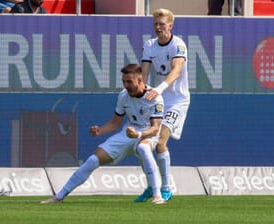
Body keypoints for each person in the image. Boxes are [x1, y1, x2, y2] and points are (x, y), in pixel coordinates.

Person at [41, 64, 166, 205]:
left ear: (140, 80)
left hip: (147, 134)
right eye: (124, 81)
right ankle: (58, 197)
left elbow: (156, 128)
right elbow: (115, 123)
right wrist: (100, 131)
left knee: (143, 148)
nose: (126, 85)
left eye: (129, 82)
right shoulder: (124, 95)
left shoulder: (154, 98)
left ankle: (157, 196)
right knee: (93, 160)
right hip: (128, 132)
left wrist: (138, 134)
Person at [135, 8, 190, 202]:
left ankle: (166, 187)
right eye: (156, 24)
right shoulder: (149, 45)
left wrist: (159, 88)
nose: (158, 27)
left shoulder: (178, 45)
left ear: (170, 25)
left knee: (160, 143)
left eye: (162, 24)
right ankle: (152, 187)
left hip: (177, 101)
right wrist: (138, 91)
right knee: (141, 145)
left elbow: (175, 72)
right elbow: (144, 73)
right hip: (157, 100)